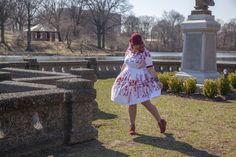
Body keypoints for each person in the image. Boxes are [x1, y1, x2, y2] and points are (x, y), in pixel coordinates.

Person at [111, 32, 166, 135]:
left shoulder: (146, 53)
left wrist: (157, 81)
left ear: (140, 43)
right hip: (128, 79)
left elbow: (150, 68)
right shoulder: (129, 50)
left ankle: (160, 121)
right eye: (133, 44)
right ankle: (132, 126)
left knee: (145, 102)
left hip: (140, 80)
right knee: (131, 102)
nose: (135, 46)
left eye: (137, 44)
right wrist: (119, 77)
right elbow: (124, 64)